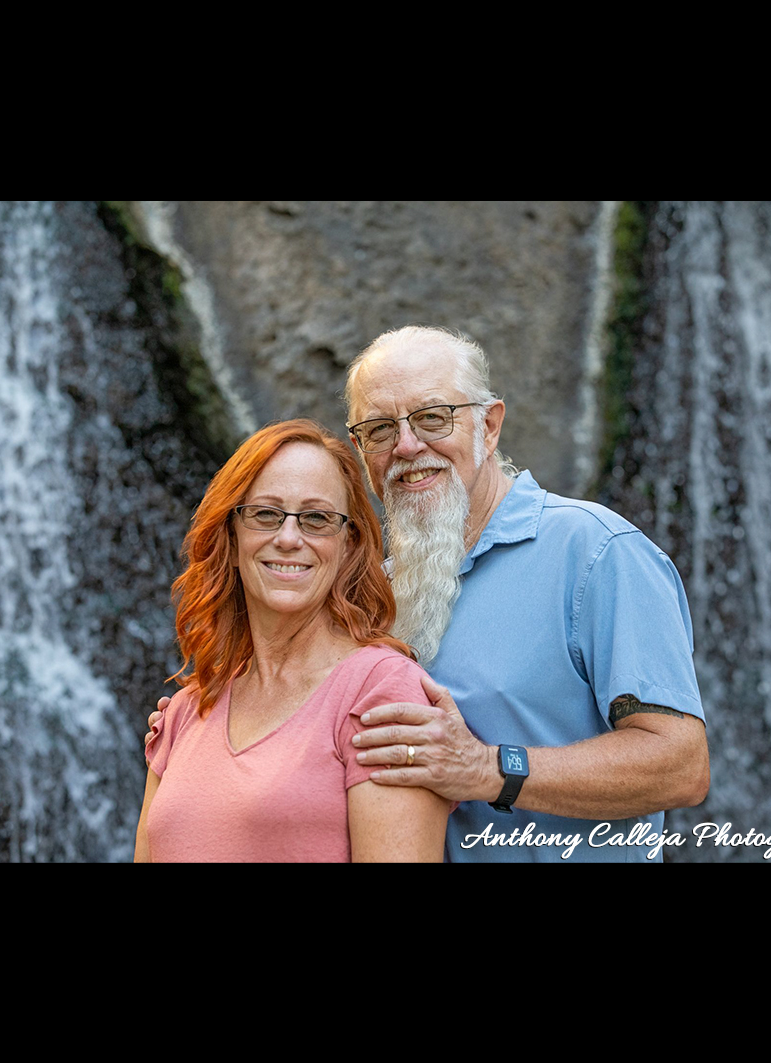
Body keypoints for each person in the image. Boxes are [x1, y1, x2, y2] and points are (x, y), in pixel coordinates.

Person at [148, 326, 710, 862]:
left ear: (488, 427)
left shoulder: (594, 553)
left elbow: (682, 764)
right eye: (380, 430)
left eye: (432, 418)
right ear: (360, 449)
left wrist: (490, 770)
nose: (408, 446)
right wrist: (207, 731)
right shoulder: (373, 589)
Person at [134, 418, 450, 862]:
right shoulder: (185, 712)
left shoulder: (381, 692)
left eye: (317, 519)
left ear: (349, 544)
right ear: (231, 533)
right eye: (265, 514)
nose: (288, 538)